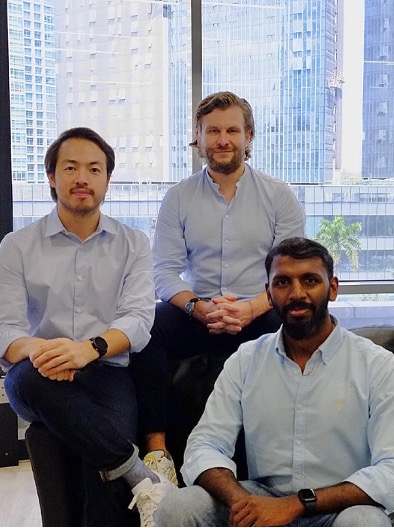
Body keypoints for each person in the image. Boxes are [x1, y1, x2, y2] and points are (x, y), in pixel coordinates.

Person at [154, 237, 394, 527]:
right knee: (179, 507)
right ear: (268, 294)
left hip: (341, 505)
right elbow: (204, 445)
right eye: (282, 283)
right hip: (261, 498)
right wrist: (242, 502)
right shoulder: (246, 360)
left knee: (364, 523)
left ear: (332, 288)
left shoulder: (376, 364)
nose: (297, 293)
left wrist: (297, 504)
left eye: (310, 280)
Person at [0, 127, 176, 527]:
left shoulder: (133, 244)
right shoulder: (18, 246)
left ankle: (120, 483)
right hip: (39, 373)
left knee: (99, 455)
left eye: (94, 169)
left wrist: (88, 349)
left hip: (106, 371)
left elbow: (139, 321)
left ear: (107, 179)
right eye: (70, 167)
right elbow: (2, 332)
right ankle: (139, 475)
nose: (82, 179)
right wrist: (50, 352)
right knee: (27, 381)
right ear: (51, 177)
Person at [130, 91, 306, 482]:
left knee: (302, 324)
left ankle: (286, 459)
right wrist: (198, 307)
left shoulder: (279, 197)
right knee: (145, 328)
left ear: (249, 136)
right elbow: (164, 273)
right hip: (199, 312)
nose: (222, 139)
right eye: (213, 131)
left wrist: (252, 308)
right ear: (199, 138)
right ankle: (158, 454)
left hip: (260, 311)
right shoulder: (178, 197)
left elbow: (290, 275)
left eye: (231, 130)